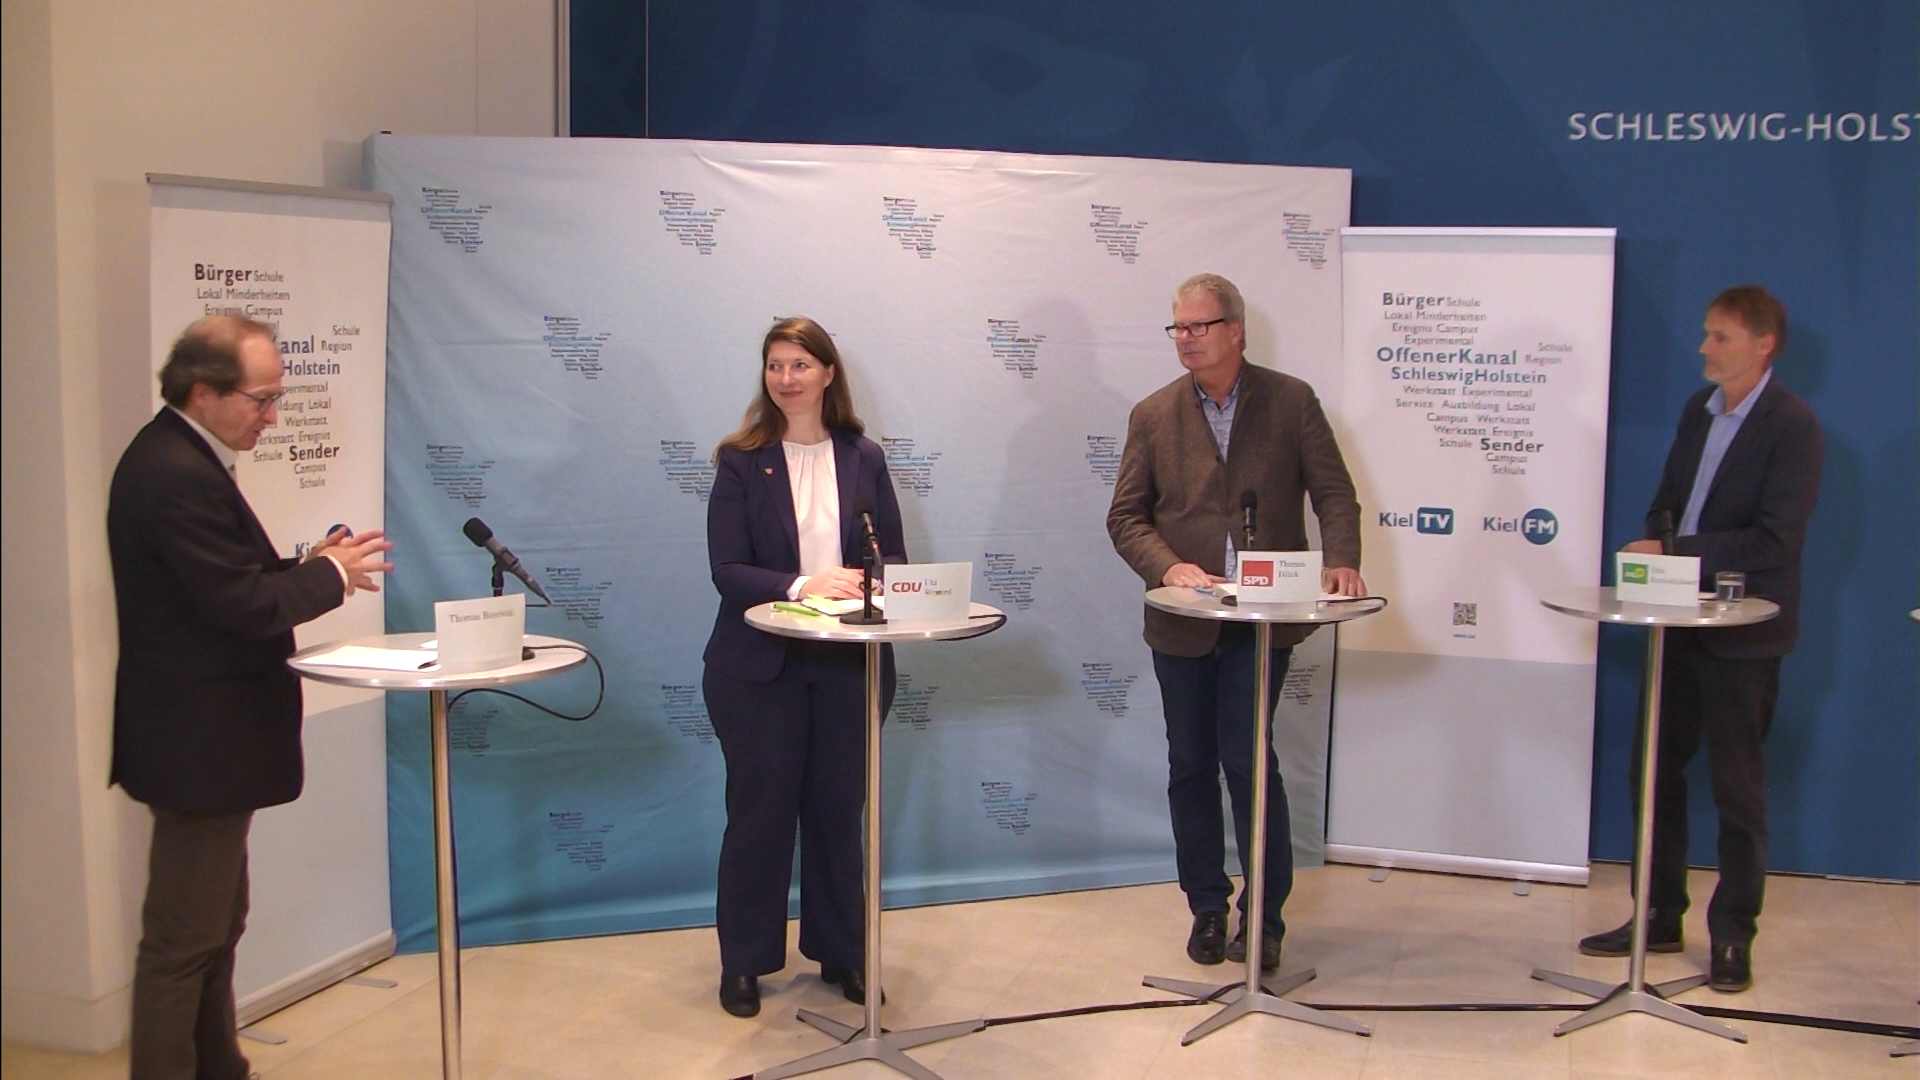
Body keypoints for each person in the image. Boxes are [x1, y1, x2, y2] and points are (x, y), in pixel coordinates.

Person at [109, 315, 392, 1080]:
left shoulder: (184, 458)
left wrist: (312, 563)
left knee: (215, 929)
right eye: (261, 400)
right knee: (181, 942)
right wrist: (330, 575)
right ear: (203, 392)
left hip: (208, 746)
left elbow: (226, 581)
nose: (272, 416)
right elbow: (242, 606)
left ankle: (219, 1067)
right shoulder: (172, 472)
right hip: (196, 748)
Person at [1107, 273, 1363, 973]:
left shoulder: (1291, 401)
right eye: (1179, 328)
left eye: (1200, 326)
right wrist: (1167, 567)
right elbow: (1125, 517)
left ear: (1236, 331)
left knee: (1249, 761)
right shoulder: (1153, 414)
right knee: (1190, 765)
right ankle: (1208, 907)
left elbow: (1335, 494)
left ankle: (1266, 917)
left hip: (1264, 620)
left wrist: (1342, 560)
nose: (1187, 339)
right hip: (1183, 623)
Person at [1578, 285, 1822, 993]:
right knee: (1652, 773)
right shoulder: (1698, 410)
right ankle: (1657, 915)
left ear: (1763, 344)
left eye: (1720, 337)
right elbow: (1667, 502)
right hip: (1675, 626)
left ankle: (1734, 934)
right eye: (1707, 334)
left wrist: (1675, 550)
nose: (1704, 348)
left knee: (1738, 790)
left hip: (1745, 636)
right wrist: (1658, 544)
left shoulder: (1792, 426)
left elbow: (1774, 542)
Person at [702, 316, 907, 1018]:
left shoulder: (864, 457)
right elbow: (727, 569)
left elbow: (892, 558)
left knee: (837, 815)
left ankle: (843, 953)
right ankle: (744, 962)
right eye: (775, 365)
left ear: (827, 374)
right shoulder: (740, 459)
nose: (786, 378)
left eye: (800, 365)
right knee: (758, 816)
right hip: (759, 668)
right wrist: (802, 585)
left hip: (849, 665)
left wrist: (864, 580)